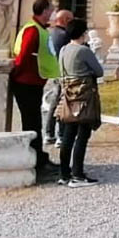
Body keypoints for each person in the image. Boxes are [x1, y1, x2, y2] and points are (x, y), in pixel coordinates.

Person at [11, 0, 59, 170]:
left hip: (33, 81)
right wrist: (16, 74)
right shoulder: (33, 30)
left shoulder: (38, 28)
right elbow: (23, 55)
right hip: (26, 81)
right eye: (51, 9)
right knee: (31, 121)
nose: (53, 13)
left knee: (34, 120)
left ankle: (38, 156)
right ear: (44, 10)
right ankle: (35, 158)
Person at [55, 18, 103, 187]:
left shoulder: (63, 49)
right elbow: (99, 71)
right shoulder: (83, 51)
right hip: (83, 95)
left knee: (68, 134)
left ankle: (64, 173)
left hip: (67, 94)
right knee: (82, 135)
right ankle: (78, 174)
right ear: (83, 33)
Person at [42, 8, 73, 148]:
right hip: (63, 72)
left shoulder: (52, 33)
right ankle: (61, 135)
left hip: (55, 71)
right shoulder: (64, 35)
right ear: (66, 20)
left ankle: (49, 133)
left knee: (55, 101)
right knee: (62, 102)